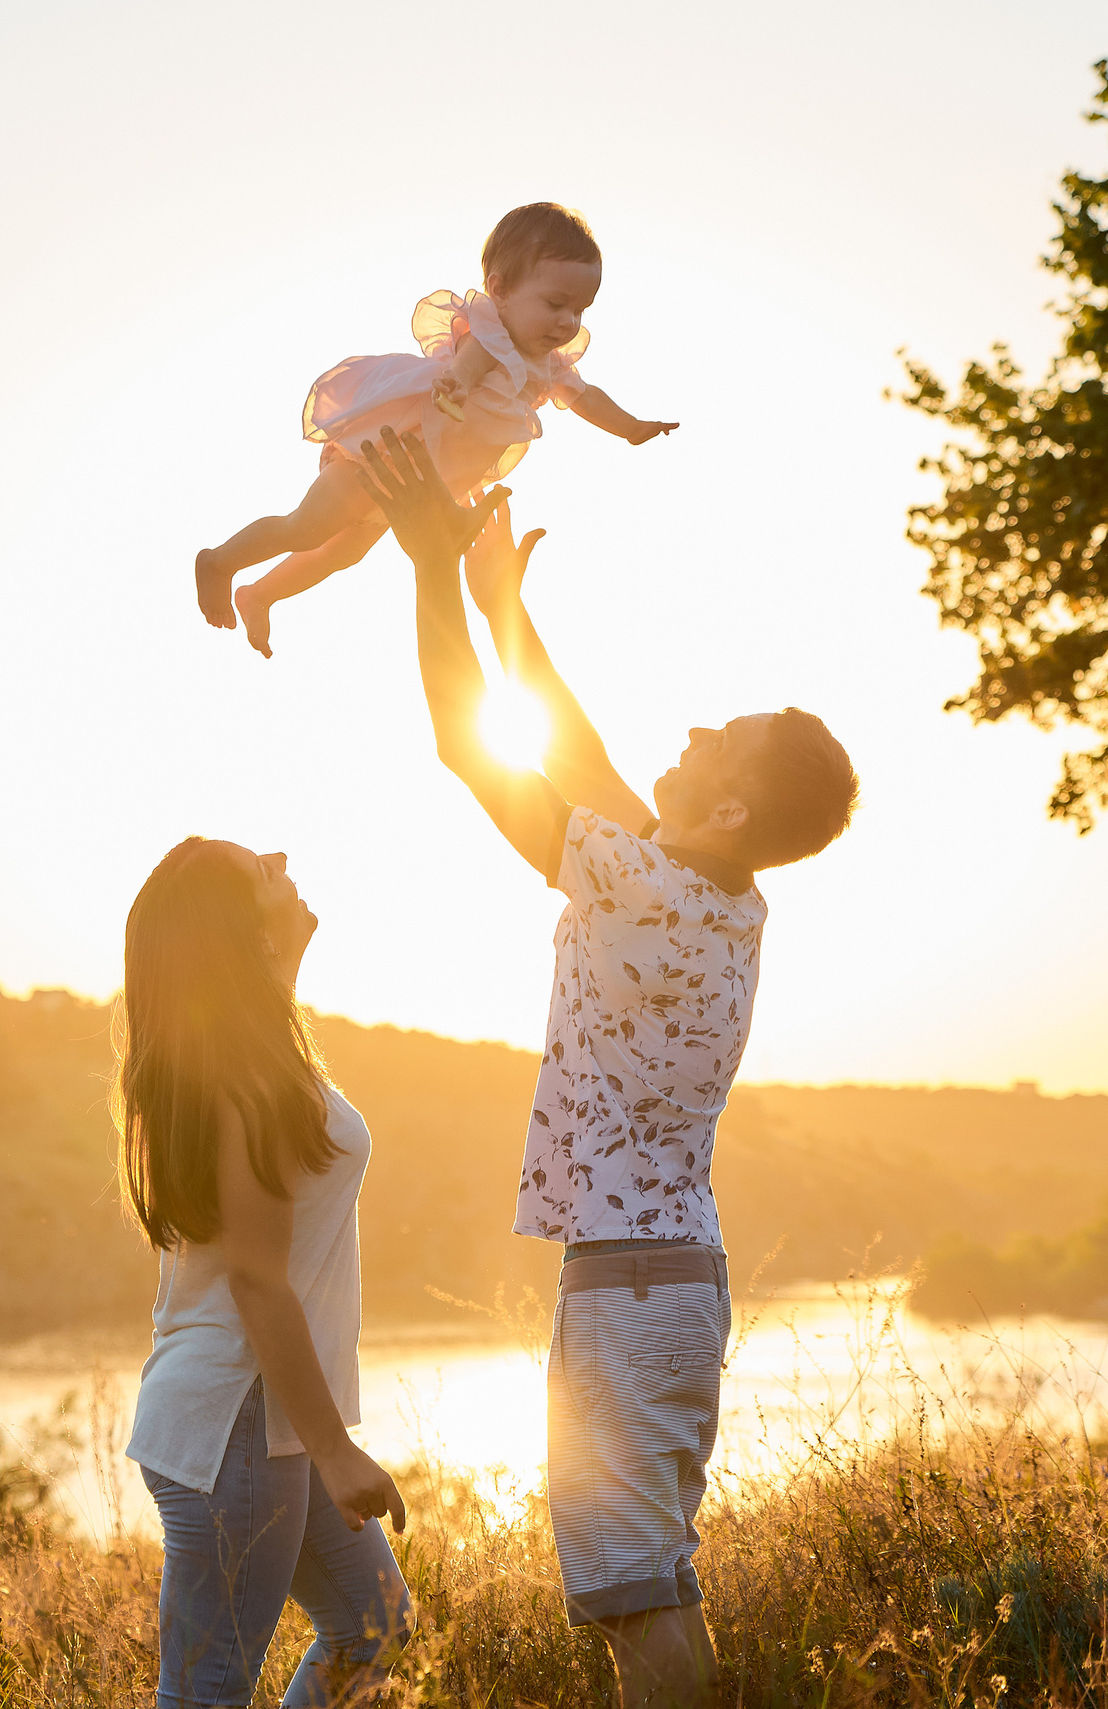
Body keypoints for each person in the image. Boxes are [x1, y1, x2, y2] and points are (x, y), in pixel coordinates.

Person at [352, 429, 858, 1708]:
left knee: (636, 1594)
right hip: (674, 1276)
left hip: (630, 1283)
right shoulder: (718, 893)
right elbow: (583, 761)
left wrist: (428, 569)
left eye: (720, 737)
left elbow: (470, 748)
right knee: (655, 1577)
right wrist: (503, 609)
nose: (692, 728)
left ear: (729, 809)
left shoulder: (643, 884)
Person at [119, 837, 414, 1708]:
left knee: (374, 1624)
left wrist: (278, 959)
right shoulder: (249, 1079)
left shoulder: (251, 1055)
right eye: (262, 869)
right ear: (239, 932)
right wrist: (336, 1449)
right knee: (206, 1692)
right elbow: (256, 1279)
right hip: (241, 1420)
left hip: (263, 1419)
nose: (282, 857)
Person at [195, 202, 678, 658]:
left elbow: (586, 398)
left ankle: (259, 595)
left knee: (342, 553)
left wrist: (630, 427)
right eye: (555, 303)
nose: (568, 321)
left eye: (580, 310)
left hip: (413, 485)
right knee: (306, 528)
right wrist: (458, 385)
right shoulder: (490, 332)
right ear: (500, 289)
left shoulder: (549, 364)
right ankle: (220, 561)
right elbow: (471, 361)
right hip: (381, 455)